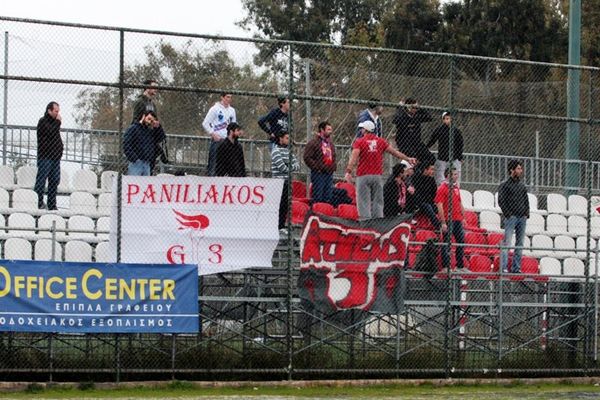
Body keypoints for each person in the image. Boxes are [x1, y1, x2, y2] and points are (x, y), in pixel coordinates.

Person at [345, 120, 417, 220]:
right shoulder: (380, 141)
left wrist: (348, 171)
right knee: (378, 200)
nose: (361, 130)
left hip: (363, 175)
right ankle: (378, 221)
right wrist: (408, 158)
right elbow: (395, 152)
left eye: (362, 129)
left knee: (363, 200)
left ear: (365, 130)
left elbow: (354, 156)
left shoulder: (359, 142)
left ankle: (365, 222)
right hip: (377, 175)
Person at [498, 160, 529, 273]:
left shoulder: (522, 186)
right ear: (512, 170)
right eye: (518, 169)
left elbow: (526, 201)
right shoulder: (504, 185)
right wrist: (508, 214)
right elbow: (501, 201)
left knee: (519, 243)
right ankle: (504, 268)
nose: (520, 171)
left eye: (521, 169)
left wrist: (526, 214)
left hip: (522, 218)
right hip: (511, 218)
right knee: (507, 242)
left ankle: (516, 268)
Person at [34, 101, 63, 210]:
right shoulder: (43, 121)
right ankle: (38, 202)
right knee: (41, 180)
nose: (58, 113)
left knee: (54, 180)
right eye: (56, 111)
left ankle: (52, 204)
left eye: (58, 111)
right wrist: (58, 123)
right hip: (45, 157)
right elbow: (50, 132)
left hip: (55, 157)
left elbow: (56, 137)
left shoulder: (55, 123)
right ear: (49, 110)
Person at [435, 167, 465, 271]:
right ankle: (445, 266)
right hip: (449, 219)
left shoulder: (456, 187)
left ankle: (460, 266)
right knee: (447, 242)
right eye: (454, 174)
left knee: (461, 241)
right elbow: (439, 205)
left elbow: (460, 202)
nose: (457, 176)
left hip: (457, 219)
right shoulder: (442, 188)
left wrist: (463, 217)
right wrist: (443, 222)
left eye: (457, 174)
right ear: (448, 175)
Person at [271, 132, 299, 234]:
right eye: (286, 138)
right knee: (278, 204)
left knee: (285, 205)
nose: (288, 140)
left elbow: (297, 165)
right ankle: (276, 226)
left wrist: (288, 166)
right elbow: (281, 167)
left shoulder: (289, 152)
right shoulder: (276, 151)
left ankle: (281, 225)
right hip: (278, 182)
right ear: (281, 139)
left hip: (287, 182)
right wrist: (289, 166)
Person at [202, 92, 237, 176]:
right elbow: (205, 123)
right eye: (227, 97)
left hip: (228, 142)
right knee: (214, 165)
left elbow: (234, 125)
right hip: (218, 141)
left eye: (230, 97)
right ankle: (211, 183)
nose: (229, 99)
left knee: (229, 165)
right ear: (222, 97)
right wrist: (213, 134)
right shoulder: (215, 109)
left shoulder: (232, 110)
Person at [303, 121, 337, 204]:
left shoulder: (330, 144)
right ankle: (316, 213)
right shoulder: (314, 143)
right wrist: (316, 168)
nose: (330, 131)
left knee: (328, 196)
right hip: (319, 174)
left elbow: (333, 157)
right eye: (328, 129)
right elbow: (307, 157)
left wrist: (333, 167)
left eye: (331, 129)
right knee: (318, 196)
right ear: (322, 130)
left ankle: (326, 213)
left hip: (329, 174)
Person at [427, 111, 464, 185]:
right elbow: (432, 140)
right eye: (446, 119)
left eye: (449, 118)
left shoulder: (456, 131)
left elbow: (460, 144)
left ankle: (455, 190)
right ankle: (441, 189)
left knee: (456, 174)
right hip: (442, 157)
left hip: (454, 157)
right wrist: (426, 148)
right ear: (443, 120)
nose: (448, 120)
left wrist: (460, 157)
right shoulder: (439, 130)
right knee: (440, 176)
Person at [123, 110, 165, 176]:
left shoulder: (150, 131)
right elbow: (126, 144)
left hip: (147, 162)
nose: (149, 121)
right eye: (149, 119)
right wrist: (134, 159)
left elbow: (160, 139)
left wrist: (158, 128)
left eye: (152, 120)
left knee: (145, 184)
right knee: (135, 182)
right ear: (143, 116)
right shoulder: (133, 128)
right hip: (136, 163)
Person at [392, 98, 433, 162]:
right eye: (414, 108)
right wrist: (399, 108)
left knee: (431, 158)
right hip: (404, 143)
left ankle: (421, 169)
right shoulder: (402, 116)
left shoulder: (417, 116)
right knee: (413, 156)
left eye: (416, 108)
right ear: (408, 107)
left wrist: (420, 108)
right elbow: (396, 120)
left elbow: (429, 117)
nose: (415, 110)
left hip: (416, 142)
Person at [411, 160, 441, 230]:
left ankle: (445, 224)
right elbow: (416, 195)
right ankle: (439, 227)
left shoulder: (432, 179)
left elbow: (434, 193)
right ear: (425, 170)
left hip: (429, 202)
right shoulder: (416, 178)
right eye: (431, 169)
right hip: (418, 203)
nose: (433, 171)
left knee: (438, 207)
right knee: (428, 207)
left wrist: (435, 202)